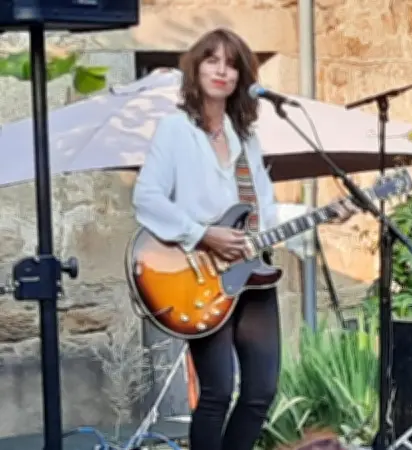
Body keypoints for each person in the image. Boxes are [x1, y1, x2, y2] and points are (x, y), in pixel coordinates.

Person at [132, 28, 353, 450]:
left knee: (260, 392)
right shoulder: (175, 130)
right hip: (200, 276)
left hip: (252, 275)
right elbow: (147, 198)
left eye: (232, 65)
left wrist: (323, 214)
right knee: (216, 392)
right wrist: (203, 234)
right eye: (212, 60)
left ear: (242, 77)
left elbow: (264, 215)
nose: (222, 71)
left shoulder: (246, 138)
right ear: (196, 69)